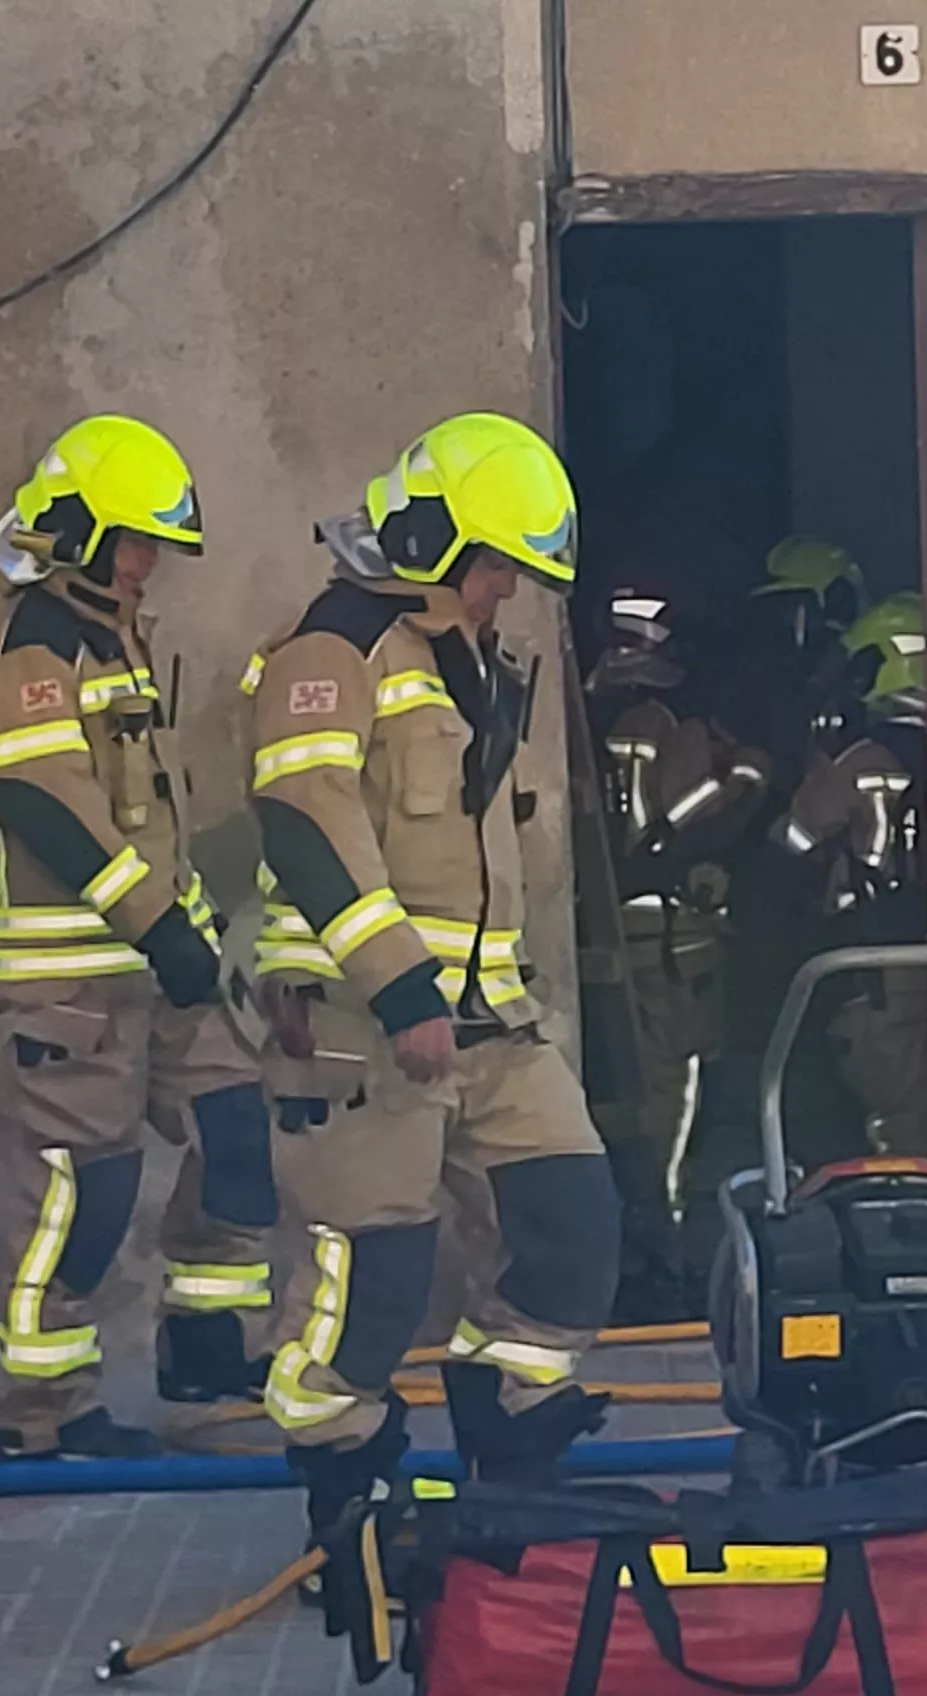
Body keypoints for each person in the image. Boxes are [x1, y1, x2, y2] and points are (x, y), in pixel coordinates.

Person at [246, 412, 626, 1551]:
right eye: (496, 566)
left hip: (493, 1027)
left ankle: (510, 1456)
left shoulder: (468, 660)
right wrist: (403, 991)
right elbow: (303, 821)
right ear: (437, 542)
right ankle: (350, 1521)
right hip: (365, 1030)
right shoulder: (333, 648)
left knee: (572, 1226)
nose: (504, 591)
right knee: (371, 1289)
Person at [0, 415, 278, 1459]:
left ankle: (204, 1345)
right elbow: (41, 797)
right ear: (79, 533)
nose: (147, 566)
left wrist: (184, 931)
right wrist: (159, 925)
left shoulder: (116, 638)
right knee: (85, 1202)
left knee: (241, 1130)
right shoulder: (33, 644)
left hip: (160, 960)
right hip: (74, 983)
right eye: (132, 542)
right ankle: (43, 1414)